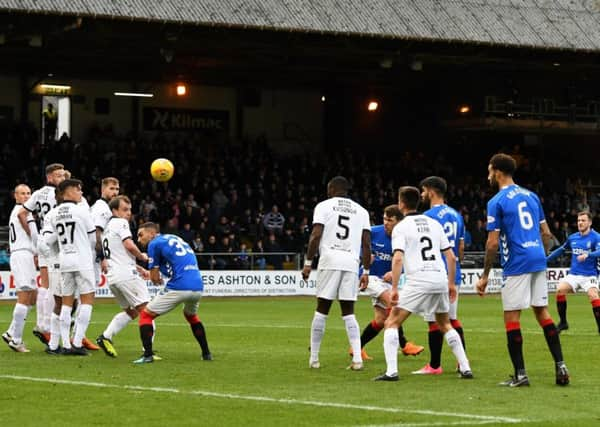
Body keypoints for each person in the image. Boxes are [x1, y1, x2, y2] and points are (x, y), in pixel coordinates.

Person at [476, 153, 569, 387]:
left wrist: (485, 275)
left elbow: (492, 243)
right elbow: (547, 234)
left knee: (512, 317)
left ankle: (520, 375)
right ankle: (561, 366)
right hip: (538, 258)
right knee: (543, 313)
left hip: (517, 262)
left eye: (489, 170)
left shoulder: (496, 201)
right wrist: (540, 254)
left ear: (497, 171)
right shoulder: (532, 196)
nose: (488, 174)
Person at [374, 186, 472, 382]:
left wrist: (393, 288)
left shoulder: (401, 227)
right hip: (440, 278)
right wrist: (451, 284)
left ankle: (391, 371)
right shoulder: (434, 223)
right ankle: (465, 367)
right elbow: (451, 257)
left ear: (401, 204)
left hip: (419, 280)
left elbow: (398, 259)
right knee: (445, 323)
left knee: (391, 322)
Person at [302, 176, 371, 371]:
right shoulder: (362, 211)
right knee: (348, 311)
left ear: (332, 189)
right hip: (351, 262)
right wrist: (365, 271)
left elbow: (316, 235)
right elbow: (366, 243)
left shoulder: (324, 206)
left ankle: (314, 358)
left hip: (330, 259)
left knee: (322, 308)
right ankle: (357, 359)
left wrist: (308, 263)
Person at [134, 222, 211, 364]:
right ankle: (206, 354)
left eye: (141, 235)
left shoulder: (154, 244)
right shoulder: (173, 238)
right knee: (191, 315)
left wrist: (150, 274)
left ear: (152, 233)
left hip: (180, 285)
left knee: (146, 315)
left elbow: (155, 278)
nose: (139, 239)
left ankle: (148, 355)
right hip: (198, 285)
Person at [355, 204, 424, 360]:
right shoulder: (374, 232)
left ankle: (356, 348)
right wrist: (363, 256)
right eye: (384, 219)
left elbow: (410, 261)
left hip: (386, 282)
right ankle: (405, 345)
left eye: (390, 220)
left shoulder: (404, 236)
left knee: (380, 320)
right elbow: (359, 243)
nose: (386, 223)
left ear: (399, 222)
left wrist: (394, 273)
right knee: (393, 305)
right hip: (370, 277)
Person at [414, 176, 467, 375]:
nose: (422, 194)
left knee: (433, 320)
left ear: (432, 191)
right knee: (451, 319)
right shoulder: (456, 215)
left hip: (435, 273)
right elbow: (460, 247)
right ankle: (462, 362)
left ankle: (434, 365)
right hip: (455, 274)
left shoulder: (428, 216)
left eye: (424, 190)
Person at [43, 179, 98, 355]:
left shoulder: (54, 213)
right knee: (87, 301)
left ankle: (65, 345)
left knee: (66, 304)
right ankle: (77, 342)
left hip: (64, 261)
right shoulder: (82, 211)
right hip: (82, 260)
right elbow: (92, 239)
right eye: (78, 189)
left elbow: (48, 241)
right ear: (69, 192)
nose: (81, 193)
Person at [96, 196, 151, 357]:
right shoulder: (121, 223)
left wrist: (138, 267)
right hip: (126, 275)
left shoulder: (107, 228)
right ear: (114, 211)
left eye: (130, 210)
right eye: (124, 210)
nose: (128, 213)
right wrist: (141, 256)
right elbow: (128, 245)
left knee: (132, 312)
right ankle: (148, 351)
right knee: (147, 311)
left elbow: (118, 254)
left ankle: (105, 337)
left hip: (113, 277)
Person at [18, 163, 65, 345]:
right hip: (56, 242)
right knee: (52, 286)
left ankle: (42, 324)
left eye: (63, 175)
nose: (62, 178)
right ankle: (46, 326)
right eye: (59, 176)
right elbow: (22, 213)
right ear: (50, 177)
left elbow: (23, 213)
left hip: (44, 239)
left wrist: (34, 235)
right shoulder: (60, 194)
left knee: (45, 284)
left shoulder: (37, 193)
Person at [547, 211, 600, 333]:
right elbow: (561, 250)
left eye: (583, 220)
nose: (580, 223)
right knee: (560, 290)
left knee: (593, 295)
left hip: (590, 275)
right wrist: (546, 260)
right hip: (574, 274)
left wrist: (588, 254)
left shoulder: (596, 237)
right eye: (578, 220)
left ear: (590, 222)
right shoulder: (573, 237)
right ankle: (563, 322)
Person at [2, 185, 38, 352]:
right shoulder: (21, 211)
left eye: (28, 193)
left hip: (25, 255)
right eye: (22, 193)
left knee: (33, 296)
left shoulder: (20, 211)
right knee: (24, 296)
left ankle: (11, 332)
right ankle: (16, 339)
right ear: (15, 196)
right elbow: (31, 233)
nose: (26, 196)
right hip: (22, 254)